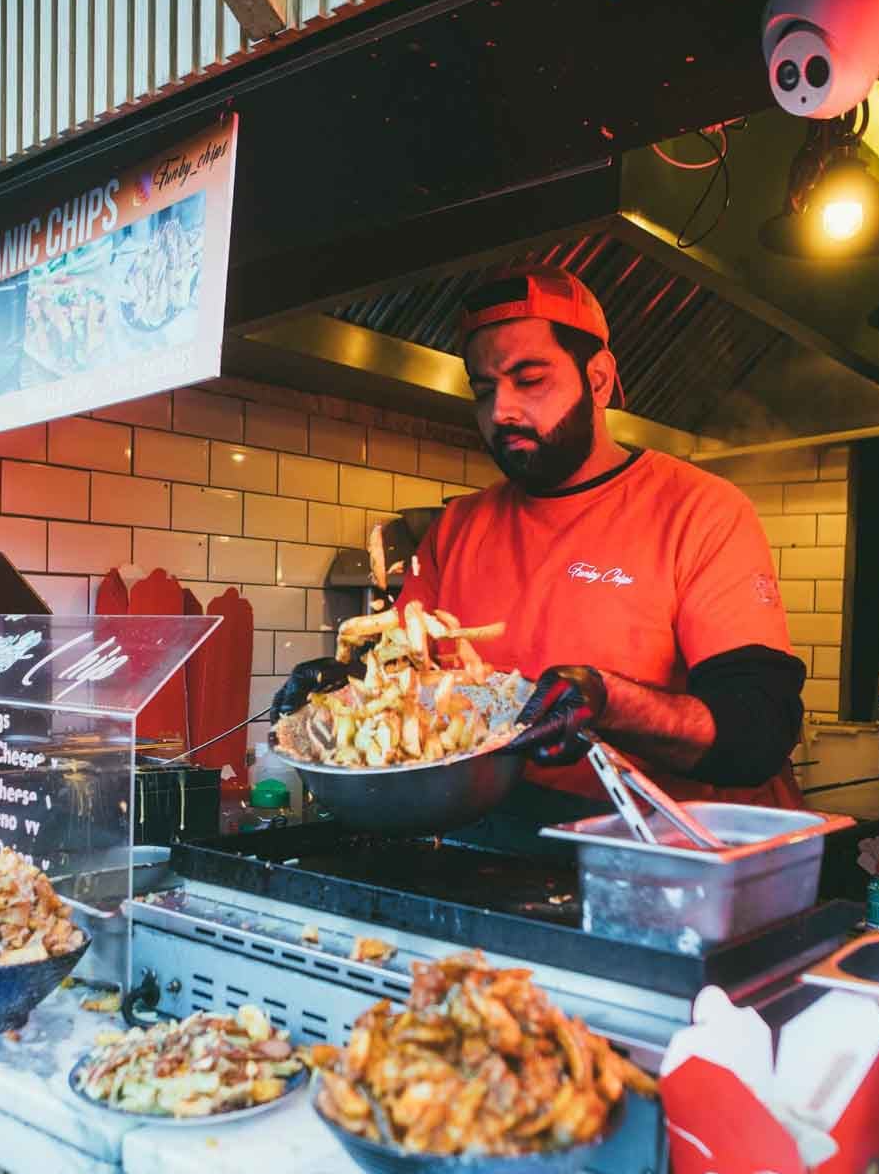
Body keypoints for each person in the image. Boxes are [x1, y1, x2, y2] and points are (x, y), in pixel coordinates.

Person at [274, 262, 806, 811]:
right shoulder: (457, 528)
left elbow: (758, 733)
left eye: (530, 380)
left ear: (598, 380)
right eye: (484, 390)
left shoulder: (700, 511)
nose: (501, 410)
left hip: (647, 856)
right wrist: (340, 693)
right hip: (488, 843)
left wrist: (607, 701)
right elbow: (404, 689)